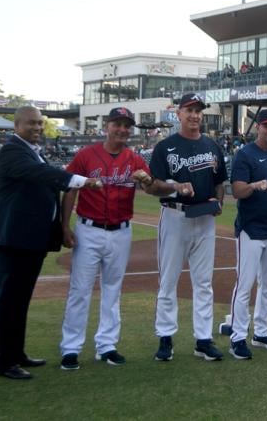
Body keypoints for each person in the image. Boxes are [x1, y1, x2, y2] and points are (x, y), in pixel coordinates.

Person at [58, 107, 193, 371]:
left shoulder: (133, 159)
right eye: (117, 124)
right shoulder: (87, 155)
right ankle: (71, 348)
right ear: (107, 126)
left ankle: (107, 346)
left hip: (121, 231)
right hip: (88, 230)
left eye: (126, 125)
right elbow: (70, 189)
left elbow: (152, 186)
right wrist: (65, 226)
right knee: (80, 290)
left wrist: (172, 186)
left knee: (112, 290)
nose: (122, 129)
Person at [0, 106, 101, 380]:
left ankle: (16, 353)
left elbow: (44, 177)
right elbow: (43, 175)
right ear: (16, 125)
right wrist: (83, 181)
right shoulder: (13, 151)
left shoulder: (32, 151)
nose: (37, 128)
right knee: (10, 301)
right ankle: (4, 362)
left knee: (20, 300)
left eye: (39, 123)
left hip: (29, 240)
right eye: (31, 124)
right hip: (12, 239)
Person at [150, 93, 228, 362]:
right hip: (175, 216)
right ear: (178, 114)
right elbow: (153, 185)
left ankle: (203, 340)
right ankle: (165, 338)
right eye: (189, 110)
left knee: (204, 283)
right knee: (168, 281)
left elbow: (220, 182)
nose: (194, 115)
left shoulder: (212, 146)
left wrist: (218, 202)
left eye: (198, 110)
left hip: (205, 219)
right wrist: (175, 186)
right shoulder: (165, 147)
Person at [227, 109, 267, 360]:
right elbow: (237, 190)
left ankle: (262, 332)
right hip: (251, 230)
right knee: (244, 285)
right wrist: (254, 186)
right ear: (258, 128)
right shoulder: (245, 155)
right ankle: (237, 337)